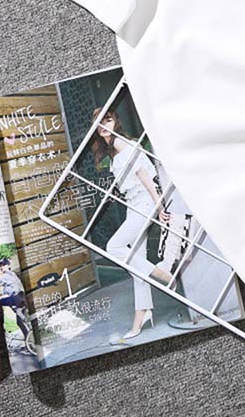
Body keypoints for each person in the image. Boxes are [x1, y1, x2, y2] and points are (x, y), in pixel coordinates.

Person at [91, 108, 173, 340]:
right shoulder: (113, 148)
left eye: (107, 120)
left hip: (143, 204)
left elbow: (145, 176)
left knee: (113, 247)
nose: (104, 126)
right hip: (134, 205)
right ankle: (142, 314)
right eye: (99, 123)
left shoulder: (120, 143)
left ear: (115, 120)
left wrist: (159, 207)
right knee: (136, 263)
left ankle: (163, 276)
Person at [0, 258, 32, 342]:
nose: (1, 267)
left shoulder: (5, 276)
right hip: (21, 298)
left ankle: (29, 332)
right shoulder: (12, 274)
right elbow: (9, 288)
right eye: (0, 266)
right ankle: (29, 337)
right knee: (19, 321)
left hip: (17, 298)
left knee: (1, 302)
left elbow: (10, 289)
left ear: (8, 265)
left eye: (3, 265)